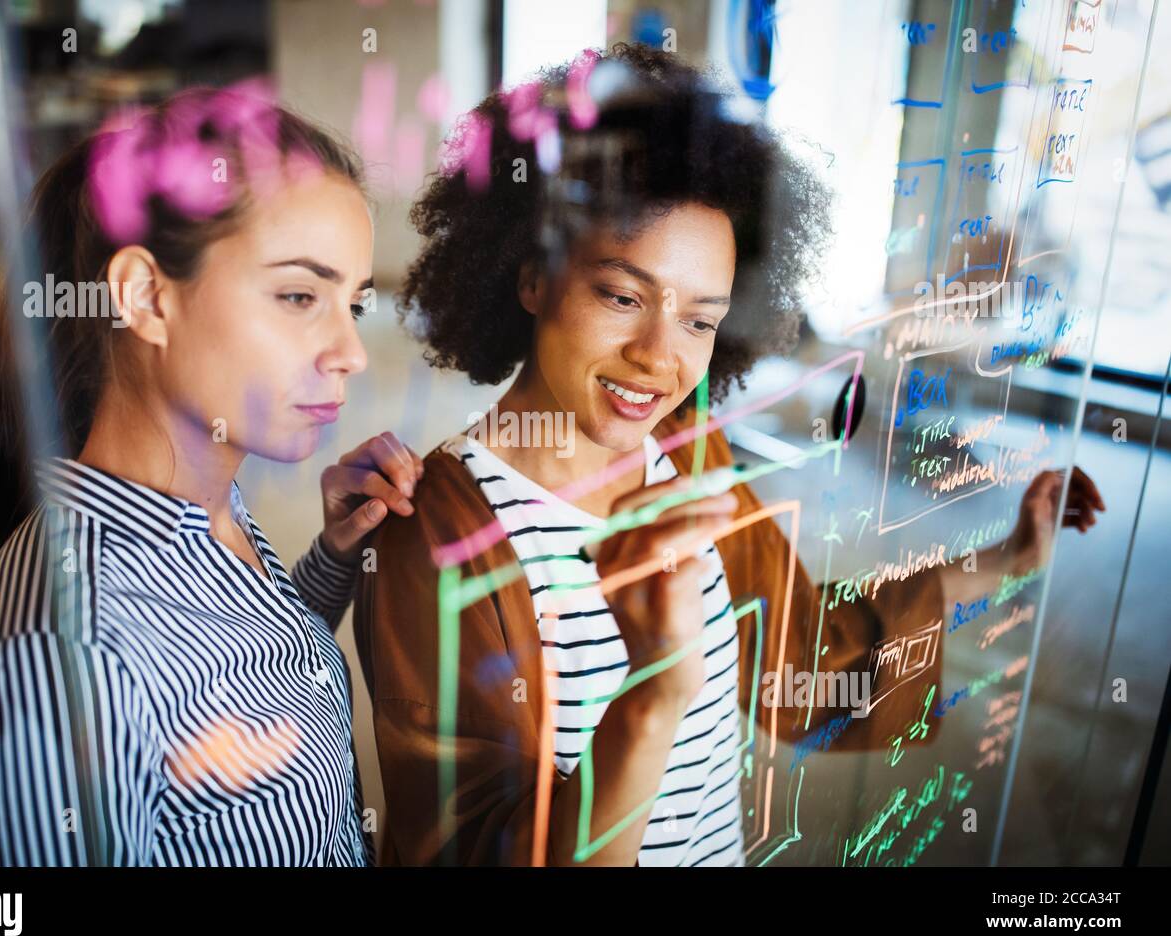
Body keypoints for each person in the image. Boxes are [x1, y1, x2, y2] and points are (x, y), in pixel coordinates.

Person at [353, 44, 1105, 867]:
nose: (658, 358)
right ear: (531, 278)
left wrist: (1006, 555)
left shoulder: (687, 451)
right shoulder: (431, 534)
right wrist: (656, 690)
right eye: (622, 296)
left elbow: (804, 651)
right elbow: (470, 850)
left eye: (701, 321)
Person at [0, 83, 423, 866]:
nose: (350, 351)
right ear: (146, 296)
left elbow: (229, 657)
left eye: (351, 303)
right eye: (297, 295)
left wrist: (330, 562)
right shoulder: (68, 659)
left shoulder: (202, 505)